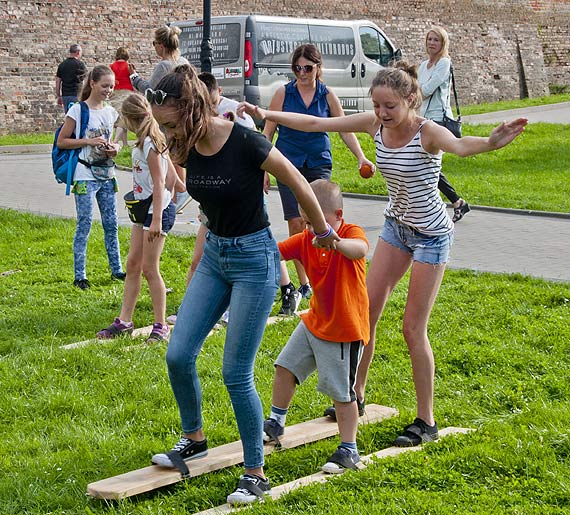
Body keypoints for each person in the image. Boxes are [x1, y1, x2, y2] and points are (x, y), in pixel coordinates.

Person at [238, 61, 527, 447]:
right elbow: (315, 124)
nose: (381, 113)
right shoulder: (374, 125)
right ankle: (355, 393)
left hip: (431, 235)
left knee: (412, 328)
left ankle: (426, 420)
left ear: (410, 100)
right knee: (365, 314)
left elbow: (460, 147)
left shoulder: (427, 133)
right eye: (376, 105)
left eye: (389, 106)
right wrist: (266, 114)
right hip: (396, 227)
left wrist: (491, 142)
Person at [146, 64, 338, 505]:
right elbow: (191, 189)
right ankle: (193, 437)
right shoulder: (184, 144)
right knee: (178, 354)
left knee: (235, 372)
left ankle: (255, 472)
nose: (169, 131)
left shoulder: (246, 140)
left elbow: (296, 180)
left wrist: (323, 231)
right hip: (217, 255)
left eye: (172, 122)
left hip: (255, 260)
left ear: (191, 108)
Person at [262, 179, 369, 474]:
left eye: (315, 222)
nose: (309, 229)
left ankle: (349, 449)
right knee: (285, 366)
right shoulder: (305, 239)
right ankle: (276, 421)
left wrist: (333, 240)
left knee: (341, 393)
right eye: (306, 221)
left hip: (344, 329)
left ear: (336, 215)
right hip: (315, 321)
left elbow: (358, 250)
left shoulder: (350, 232)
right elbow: (274, 252)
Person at [262, 44, 374, 315]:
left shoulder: (327, 95)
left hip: (318, 163)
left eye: (307, 68)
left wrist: (361, 158)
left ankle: (317, 274)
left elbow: (345, 129)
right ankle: (302, 285)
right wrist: (262, 169)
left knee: (318, 222)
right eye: (297, 68)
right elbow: (267, 131)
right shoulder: (283, 93)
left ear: (317, 68)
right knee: (296, 222)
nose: (302, 73)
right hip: (287, 163)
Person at [96, 93, 180, 343]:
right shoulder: (146, 141)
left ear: (131, 119)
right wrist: (178, 186)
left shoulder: (152, 145)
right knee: (133, 264)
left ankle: (160, 325)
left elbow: (158, 182)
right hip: (143, 210)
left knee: (149, 268)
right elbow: (173, 179)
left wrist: (156, 219)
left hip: (156, 213)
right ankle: (124, 321)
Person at [57, 64, 127, 290]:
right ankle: (80, 275)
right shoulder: (78, 110)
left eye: (112, 86)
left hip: (106, 173)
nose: (108, 90)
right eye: (105, 85)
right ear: (93, 83)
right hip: (84, 174)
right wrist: (88, 141)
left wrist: (115, 148)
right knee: (85, 223)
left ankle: (116, 269)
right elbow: (62, 141)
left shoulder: (110, 112)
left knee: (111, 223)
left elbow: (119, 140)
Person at [128, 25, 190, 213]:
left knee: (167, 156)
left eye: (154, 43)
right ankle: (180, 192)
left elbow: (150, 91)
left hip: (166, 117)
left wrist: (134, 77)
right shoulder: (183, 61)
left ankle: (172, 196)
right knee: (177, 155)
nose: (154, 47)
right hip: (181, 115)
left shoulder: (164, 65)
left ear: (161, 45)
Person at [418, 26, 470, 223]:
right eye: (429, 39)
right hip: (424, 118)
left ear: (443, 43)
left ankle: (448, 204)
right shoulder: (424, 65)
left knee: (428, 164)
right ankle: (457, 203)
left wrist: (415, 94)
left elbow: (427, 89)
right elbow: (417, 87)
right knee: (426, 164)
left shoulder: (444, 63)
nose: (432, 43)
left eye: (436, 40)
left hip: (439, 119)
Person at [109, 46, 134, 148]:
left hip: (115, 93)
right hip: (127, 92)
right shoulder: (129, 66)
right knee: (124, 118)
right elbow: (133, 79)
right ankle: (115, 141)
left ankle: (125, 143)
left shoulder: (111, 66)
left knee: (120, 117)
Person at [55, 44, 87, 113]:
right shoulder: (80, 65)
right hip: (76, 95)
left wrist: (58, 96)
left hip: (65, 96)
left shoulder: (62, 65)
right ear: (78, 52)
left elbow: (58, 82)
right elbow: (83, 82)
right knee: (77, 117)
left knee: (68, 116)